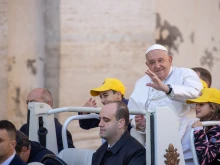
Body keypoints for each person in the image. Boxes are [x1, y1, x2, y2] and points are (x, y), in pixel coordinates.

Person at [128, 44, 203, 164]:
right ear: (147, 65)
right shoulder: (141, 83)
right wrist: (140, 124)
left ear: (170, 60)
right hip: (152, 137)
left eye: (160, 60)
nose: (157, 66)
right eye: (152, 62)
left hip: (183, 135)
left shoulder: (184, 73)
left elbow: (196, 93)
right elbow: (133, 113)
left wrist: (166, 89)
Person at [19, 88, 74, 152]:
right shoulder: (24, 128)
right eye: (27, 103)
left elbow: (65, 159)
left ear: (48, 104)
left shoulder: (60, 132)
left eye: (33, 102)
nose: (29, 106)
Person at [186, 88, 220, 165]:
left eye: (201, 104)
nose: (196, 107)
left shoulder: (218, 129)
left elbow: (206, 159)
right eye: (196, 104)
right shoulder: (207, 126)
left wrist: (198, 130)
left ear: (212, 108)